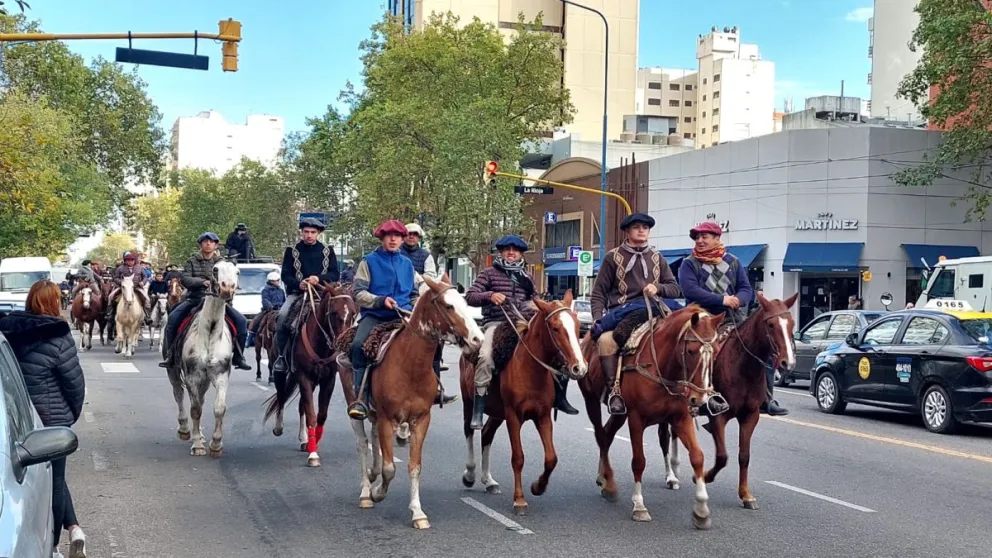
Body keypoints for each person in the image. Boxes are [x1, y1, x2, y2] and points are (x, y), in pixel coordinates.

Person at [0, 281, 87, 558]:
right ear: (54, 303)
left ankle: (74, 528)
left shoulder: (9, 332)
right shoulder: (60, 336)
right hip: (50, 421)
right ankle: (54, 545)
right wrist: (70, 416)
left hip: (17, 416)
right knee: (56, 481)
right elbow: (74, 384)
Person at [465, 235, 577, 429]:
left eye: (515, 250)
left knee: (559, 352)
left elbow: (534, 299)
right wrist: (490, 295)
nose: (511, 252)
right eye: (507, 249)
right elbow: (470, 296)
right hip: (497, 323)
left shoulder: (526, 277)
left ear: (520, 254)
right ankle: (478, 409)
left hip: (524, 322)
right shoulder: (489, 273)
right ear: (501, 252)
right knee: (485, 357)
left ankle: (560, 398)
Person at [678, 221, 787, 417]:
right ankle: (703, 397)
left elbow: (746, 288)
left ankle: (767, 399)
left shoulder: (733, 261)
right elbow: (690, 290)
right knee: (705, 350)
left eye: (705, 237)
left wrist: (739, 300)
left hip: (735, 318)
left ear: (717, 239)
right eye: (697, 237)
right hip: (703, 319)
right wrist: (723, 300)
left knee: (764, 349)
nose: (700, 241)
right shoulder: (689, 263)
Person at [590, 213, 682, 416]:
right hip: (622, 312)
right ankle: (614, 392)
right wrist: (598, 318)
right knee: (606, 340)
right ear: (627, 231)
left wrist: (657, 288)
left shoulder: (658, 258)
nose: (642, 230)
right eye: (636, 227)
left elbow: (675, 289)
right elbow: (598, 293)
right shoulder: (612, 257)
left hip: (656, 310)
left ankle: (693, 390)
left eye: (645, 227)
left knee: (688, 338)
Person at [347, 220, 428, 420]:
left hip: (404, 316)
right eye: (388, 236)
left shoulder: (407, 264)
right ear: (382, 239)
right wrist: (380, 301)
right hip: (375, 315)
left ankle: (433, 390)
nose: (393, 239)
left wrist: (415, 307)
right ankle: (361, 398)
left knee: (431, 342)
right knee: (358, 345)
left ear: (402, 240)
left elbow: (413, 294)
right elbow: (358, 293)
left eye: (397, 236)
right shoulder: (369, 261)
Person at [158, 232, 253, 371]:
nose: (208, 244)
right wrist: (202, 282)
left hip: (219, 302)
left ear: (215, 245)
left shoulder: (224, 263)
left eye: (211, 242)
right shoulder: (192, 261)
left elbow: (231, 278)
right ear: (200, 244)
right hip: (195, 299)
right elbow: (185, 279)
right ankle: (171, 355)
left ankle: (238, 356)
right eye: (205, 241)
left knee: (242, 322)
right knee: (172, 319)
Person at [271, 218, 340, 378]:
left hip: (322, 294)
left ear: (319, 233)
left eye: (313, 232)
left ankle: (340, 354)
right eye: (306, 232)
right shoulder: (292, 251)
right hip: (298, 294)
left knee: (341, 316)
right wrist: (298, 283)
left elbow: (335, 273)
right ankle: (282, 357)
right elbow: (285, 275)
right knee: (282, 317)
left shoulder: (328, 251)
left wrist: (319, 278)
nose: (309, 235)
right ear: (301, 232)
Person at [399, 222, 456, 403]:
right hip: (398, 298)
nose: (411, 237)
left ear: (419, 237)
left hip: (419, 298)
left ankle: (437, 387)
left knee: (435, 340)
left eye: (415, 234)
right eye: (408, 234)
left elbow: (429, 277)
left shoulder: (425, 255)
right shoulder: (396, 253)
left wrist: (419, 280)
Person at [247, 271, 285, 348]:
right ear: (271, 281)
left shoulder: (281, 290)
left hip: (280, 310)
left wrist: (283, 307)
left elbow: (284, 300)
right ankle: (249, 339)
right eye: (276, 280)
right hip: (268, 310)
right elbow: (265, 300)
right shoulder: (265, 290)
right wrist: (271, 307)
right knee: (256, 320)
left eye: (278, 280)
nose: (278, 282)